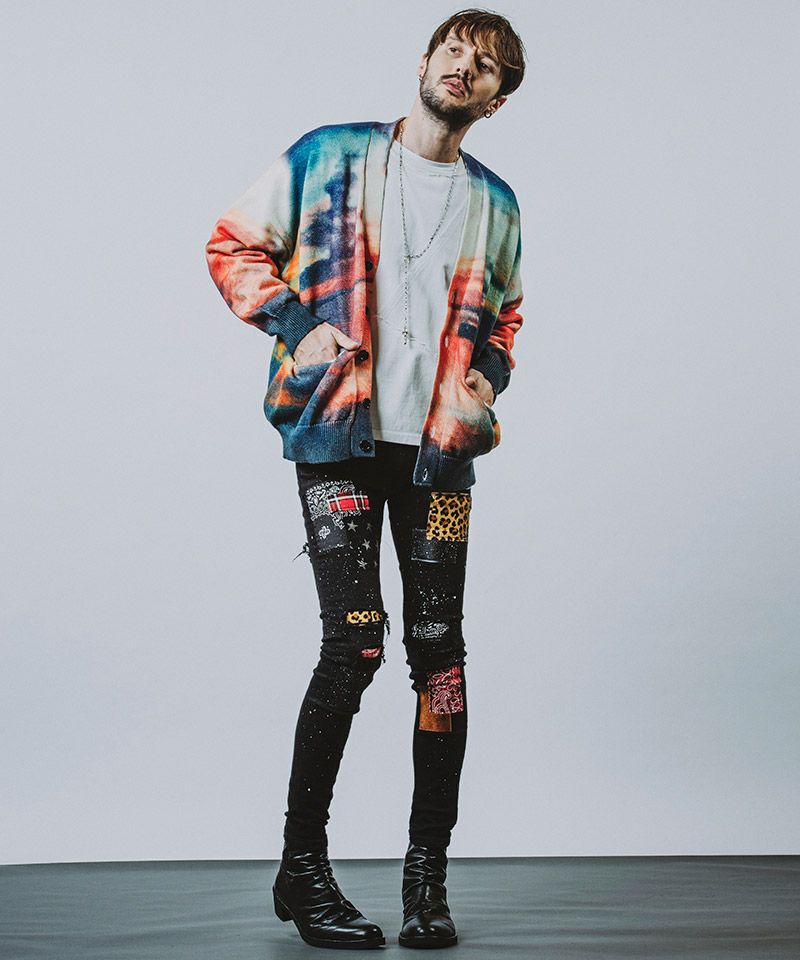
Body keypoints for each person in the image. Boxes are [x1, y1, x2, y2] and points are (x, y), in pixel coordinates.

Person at [205, 7, 526, 949]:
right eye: (455, 49)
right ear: (425, 61)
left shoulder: (497, 203)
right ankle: (302, 870)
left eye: (486, 65)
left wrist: (487, 373)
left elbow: (506, 316)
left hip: (439, 455)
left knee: (441, 661)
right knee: (354, 645)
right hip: (337, 439)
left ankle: (427, 880)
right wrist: (296, 324)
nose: (465, 67)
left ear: (497, 100)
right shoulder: (330, 156)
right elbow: (231, 243)